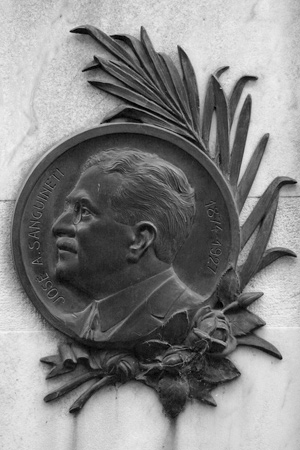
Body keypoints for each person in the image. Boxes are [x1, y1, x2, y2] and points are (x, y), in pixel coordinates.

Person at [52, 148, 206, 347]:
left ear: (139, 240)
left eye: (84, 211)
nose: (58, 227)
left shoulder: (185, 312)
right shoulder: (79, 323)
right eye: (69, 209)